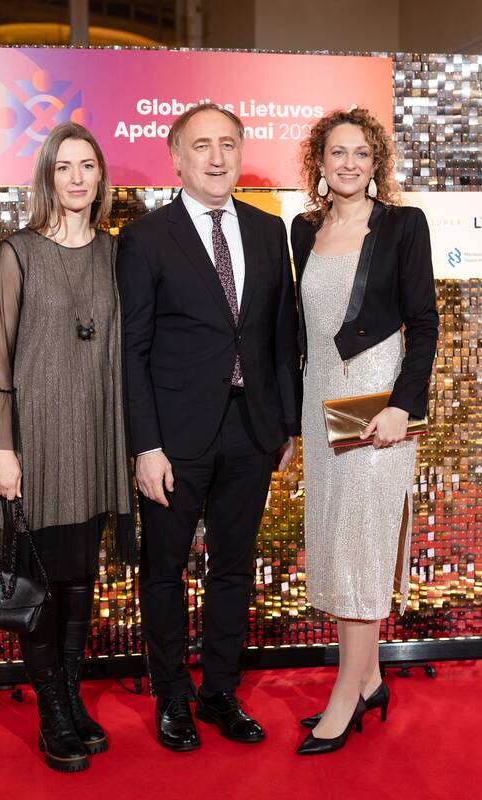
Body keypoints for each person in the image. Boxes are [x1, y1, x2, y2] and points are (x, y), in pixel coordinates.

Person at [116, 103, 301, 751]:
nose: (217, 157)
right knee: (163, 570)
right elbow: (131, 350)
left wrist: (286, 424)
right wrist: (144, 444)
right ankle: (171, 695)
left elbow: (282, 334)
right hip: (172, 439)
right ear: (176, 158)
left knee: (233, 567)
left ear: (240, 151)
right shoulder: (145, 237)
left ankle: (219, 690)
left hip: (252, 430)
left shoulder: (267, 230)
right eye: (202, 145)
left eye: (227, 143)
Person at [0, 122, 134, 772]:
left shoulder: (116, 254)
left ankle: (70, 694)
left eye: (87, 165)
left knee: (79, 578)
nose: (76, 177)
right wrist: (1, 448)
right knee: (40, 580)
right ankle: (49, 711)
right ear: (47, 176)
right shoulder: (17, 253)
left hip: (95, 440)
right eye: (64, 166)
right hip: (36, 441)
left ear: (101, 177)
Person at [291, 107, 438, 755]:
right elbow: (298, 329)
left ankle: (345, 695)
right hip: (318, 400)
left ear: (375, 162)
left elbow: (424, 323)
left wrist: (402, 406)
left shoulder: (403, 226)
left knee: (359, 545)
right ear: (319, 164)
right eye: (337, 153)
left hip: (376, 404)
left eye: (360, 153)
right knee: (335, 538)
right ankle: (372, 679)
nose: (348, 163)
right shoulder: (303, 229)